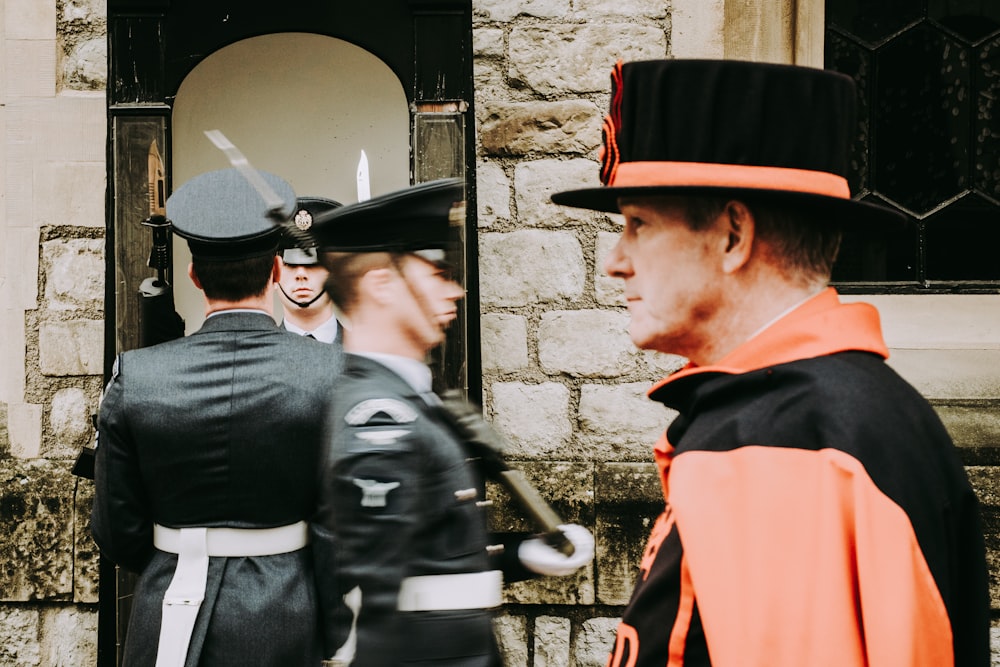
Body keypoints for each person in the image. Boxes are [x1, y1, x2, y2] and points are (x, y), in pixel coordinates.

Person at [551, 59, 990, 667]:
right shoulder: (851, 408)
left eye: (638, 224)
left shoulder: (778, 445)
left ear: (733, 235)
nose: (615, 262)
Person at [308, 178, 595, 666]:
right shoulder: (379, 416)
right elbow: (381, 593)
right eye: (437, 270)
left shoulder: (411, 397)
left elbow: (426, 560)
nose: (455, 288)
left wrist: (521, 556)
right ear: (381, 284)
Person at [91, 168, 342, 667]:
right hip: (287, 612)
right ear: (275, 272)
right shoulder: (335, 372)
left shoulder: (135, 376)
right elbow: (341, 526)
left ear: (193, 276)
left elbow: (115, 530)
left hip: (167, 607)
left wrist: (179, 553)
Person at [277, 196, 343, 343]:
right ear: (274, 272)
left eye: (314, 263)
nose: (301, 274)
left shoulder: (365, 352)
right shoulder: (259, 356)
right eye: (290, 264)